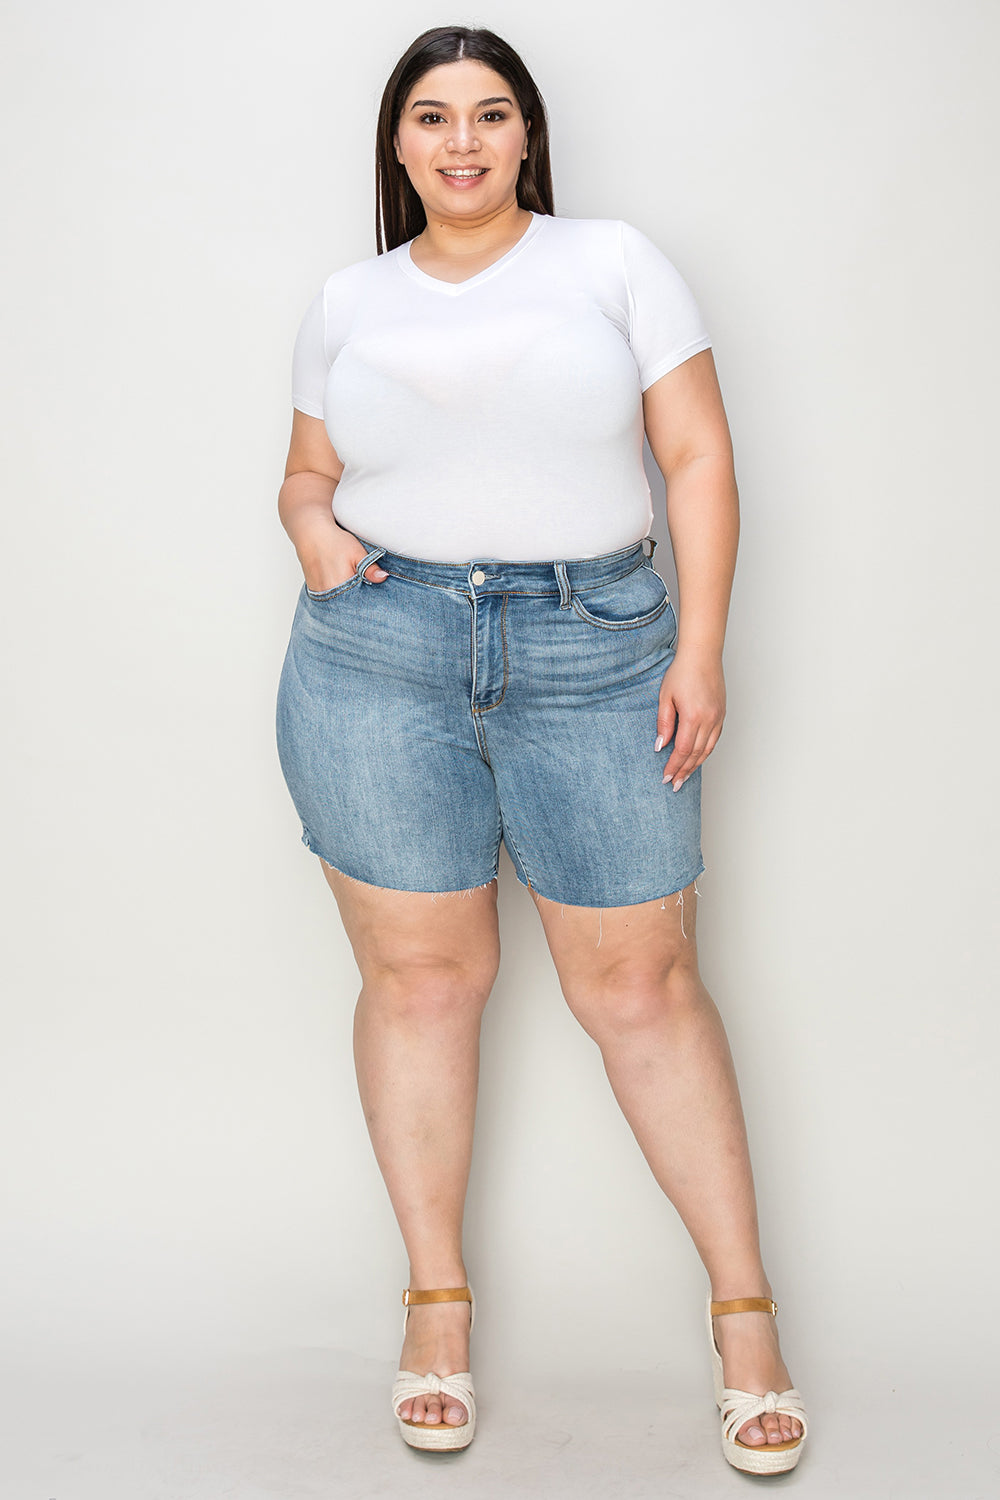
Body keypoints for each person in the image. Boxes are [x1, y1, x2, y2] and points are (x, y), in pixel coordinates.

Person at [275, 23, 808, 1476]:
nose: (463, 142)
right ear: (398, 146)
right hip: (378, 657)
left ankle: (746, 1318)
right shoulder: (347, 298)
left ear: (527, 138)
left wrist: (699, 646)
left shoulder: (615, 264)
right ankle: (435, 1307)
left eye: (491, 115)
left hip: (596, 647)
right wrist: (315, 533)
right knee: (425, 982)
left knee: (640, 989)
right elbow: (309, 473)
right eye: (434, 118)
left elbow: (696, 456)